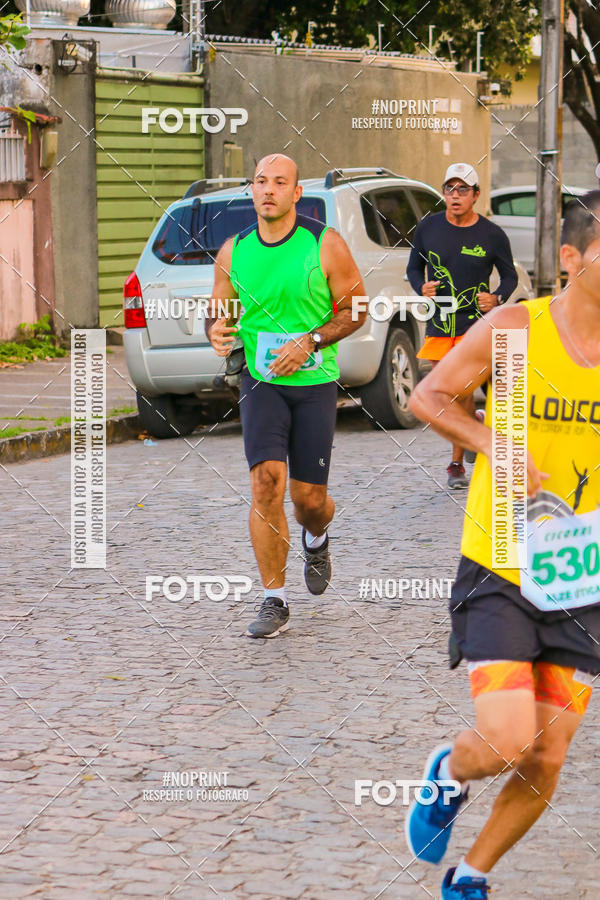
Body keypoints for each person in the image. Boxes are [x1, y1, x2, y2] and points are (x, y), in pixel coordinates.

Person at [405, 192, 600, 898]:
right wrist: (493, 445)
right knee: (508, 740)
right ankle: (448, 774)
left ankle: (471, 876)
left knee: (547, 756)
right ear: (572, 259)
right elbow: (429, 397)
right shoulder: (516, 329)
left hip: (585, 578)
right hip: (503, 562)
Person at [206, 153, 366, 638]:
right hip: (261, 382)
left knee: (307, 500)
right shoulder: (234, 251)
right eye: (261, 181)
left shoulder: (324, 245)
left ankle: (316, 537)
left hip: (314, 383)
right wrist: (215, 329)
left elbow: (358, 310)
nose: (269, 189)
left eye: (280, 182)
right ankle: (274, 599)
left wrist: (310, 340)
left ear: (297, 193)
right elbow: (220, 310)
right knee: (266, 485)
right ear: (251, 191)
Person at [407, 162, 518, 489]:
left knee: (461, 389)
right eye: (449, 189)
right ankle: (474, 428)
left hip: (474, 327)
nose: (455, 196)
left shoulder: (491, 234)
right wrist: (420, 288)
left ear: (476, 195)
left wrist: (496, 297)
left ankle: (456, 463)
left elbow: (510, 275)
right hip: (440, 323)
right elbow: (414, 269)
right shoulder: (428, 228)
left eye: (462, 190)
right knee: (446, 394)